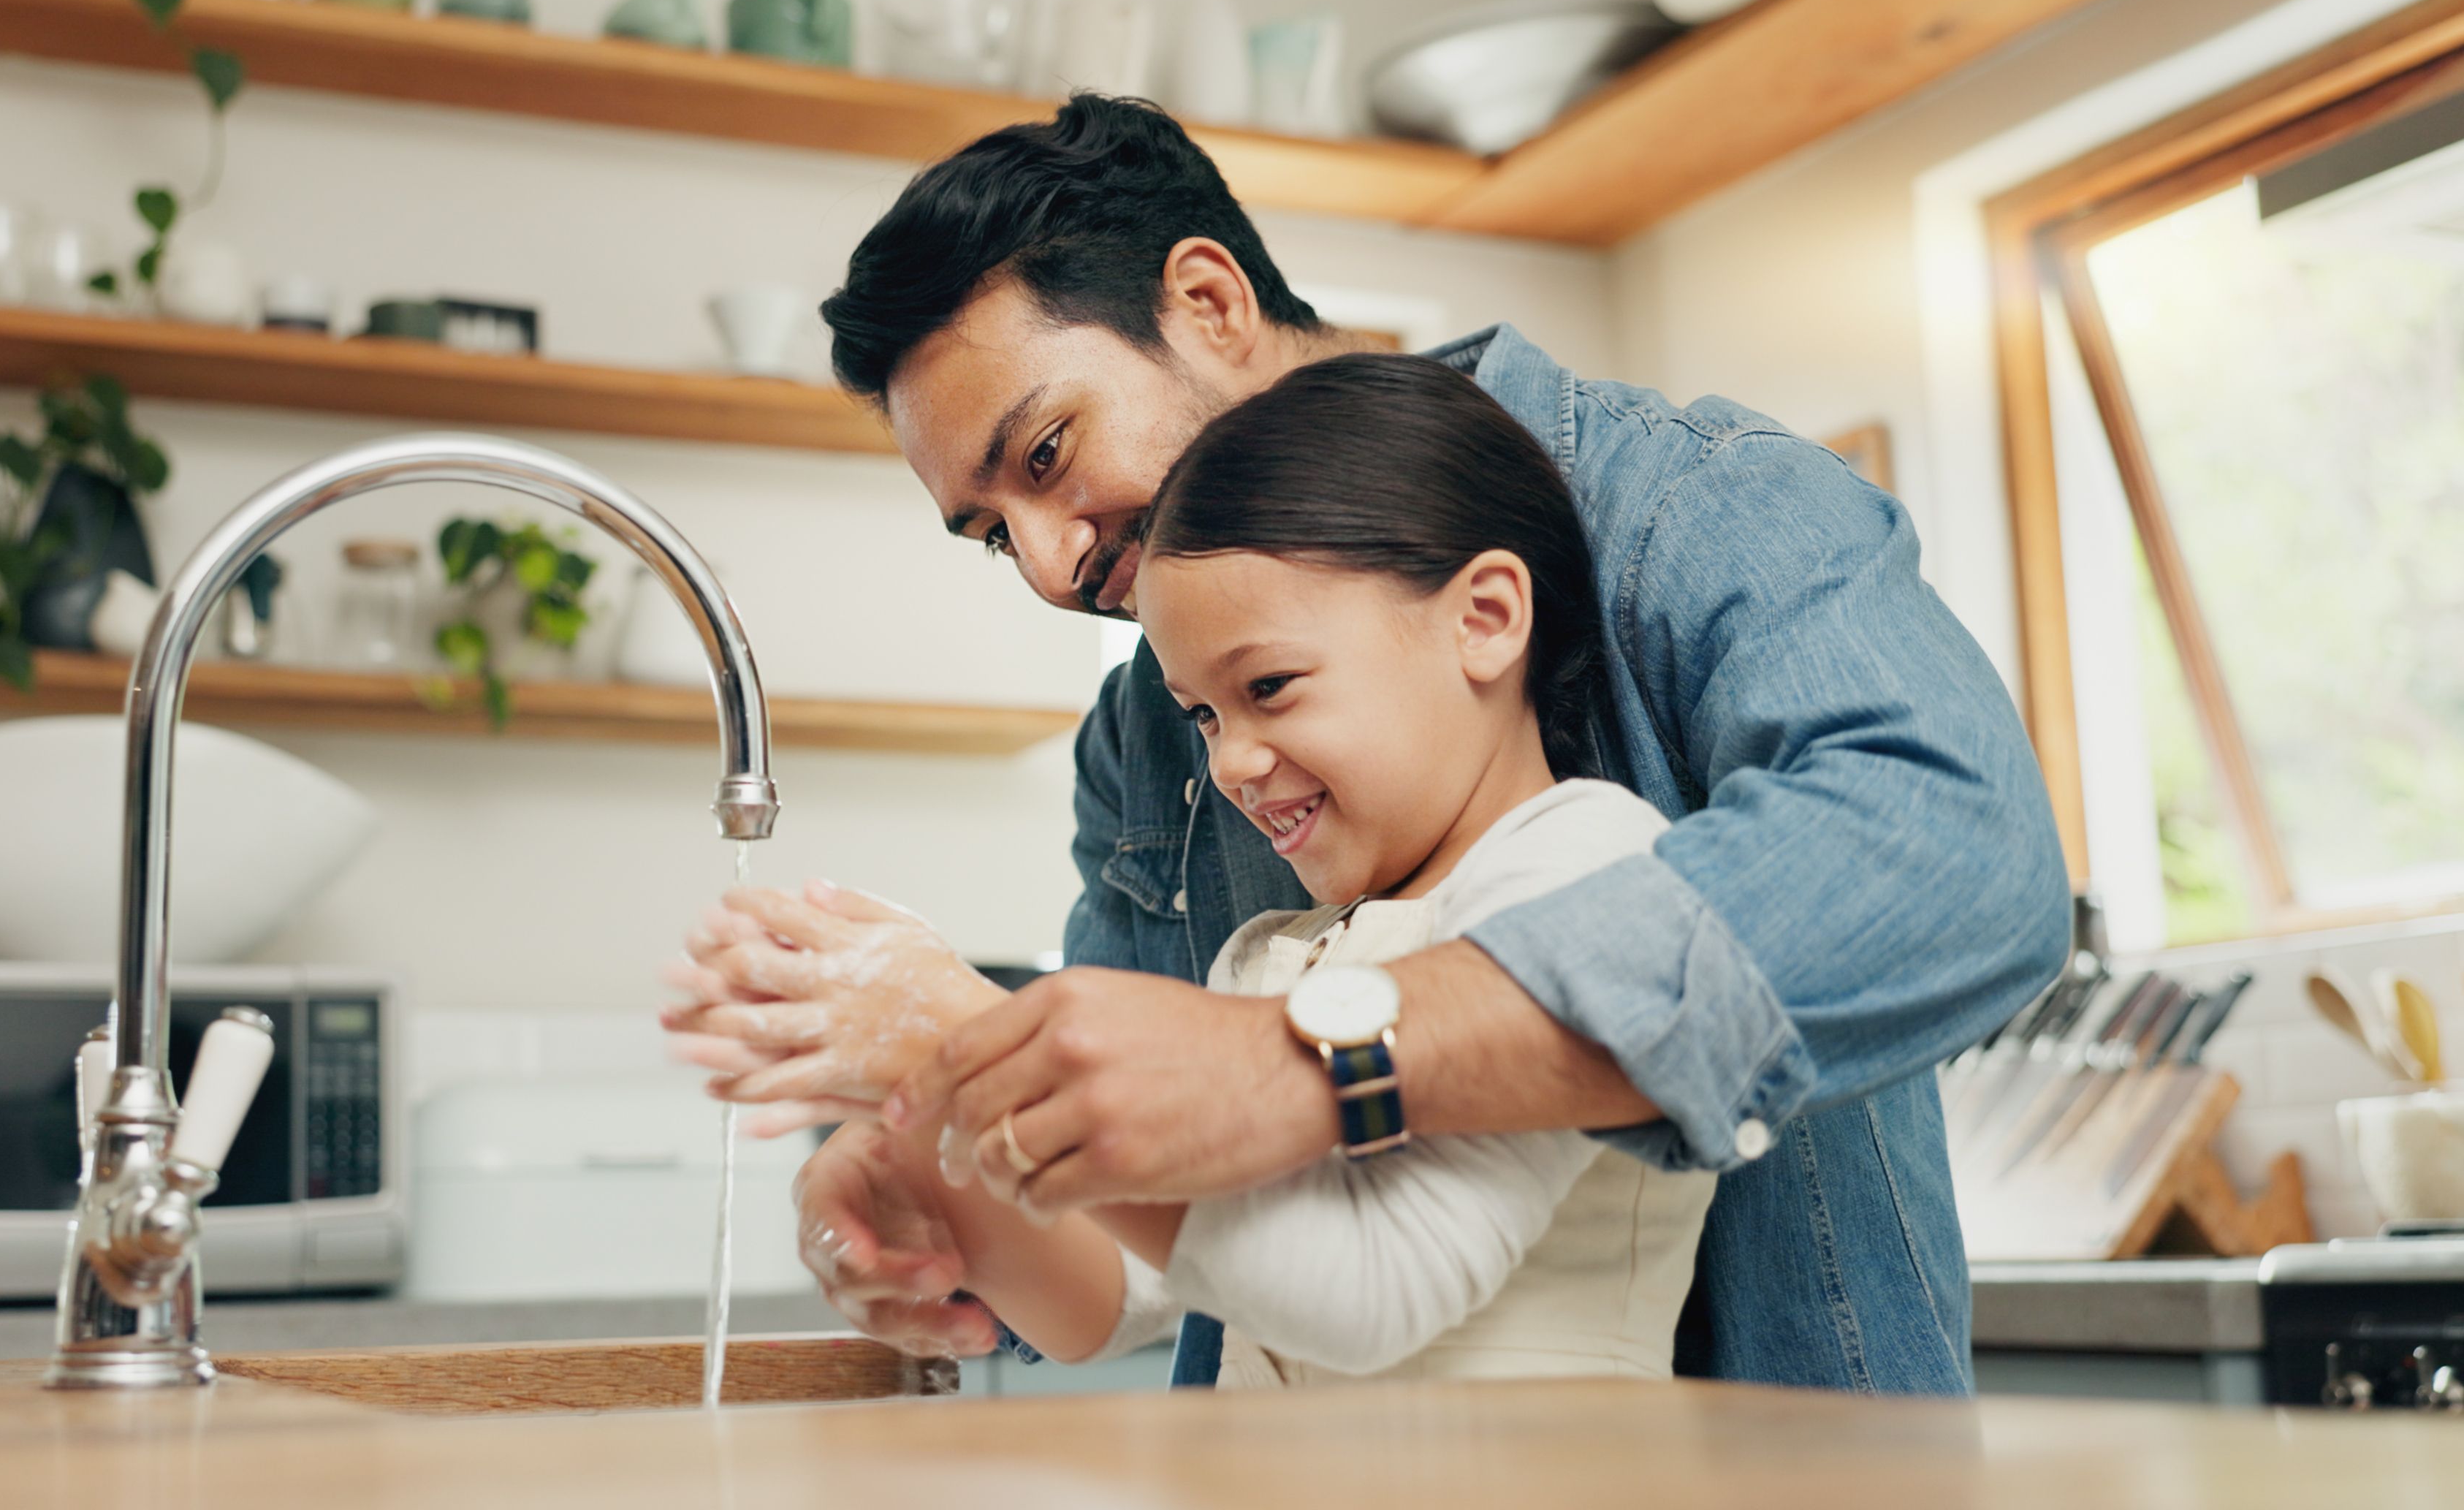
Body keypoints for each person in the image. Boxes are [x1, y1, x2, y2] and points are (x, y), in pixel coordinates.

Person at [666, 94, 2069, 1392]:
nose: (1045, 565)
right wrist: (951, 1172)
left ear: (1210, 303)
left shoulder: (1685, 509)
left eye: (1044, 457)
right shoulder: (1145, 742)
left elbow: (1962, 854)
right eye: (990, 534)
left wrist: (1309, 1064)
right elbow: (1137, 1232)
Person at [673, 352, 1716, 1386]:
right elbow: (1116, 1298)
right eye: (1204, 715)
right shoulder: (1267, 963)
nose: (1230, 763)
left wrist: (958, 1040)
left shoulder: (1587, 862)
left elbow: (1380, 1289)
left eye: (1269, 684)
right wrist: (939, 1162)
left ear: (1483, 620)